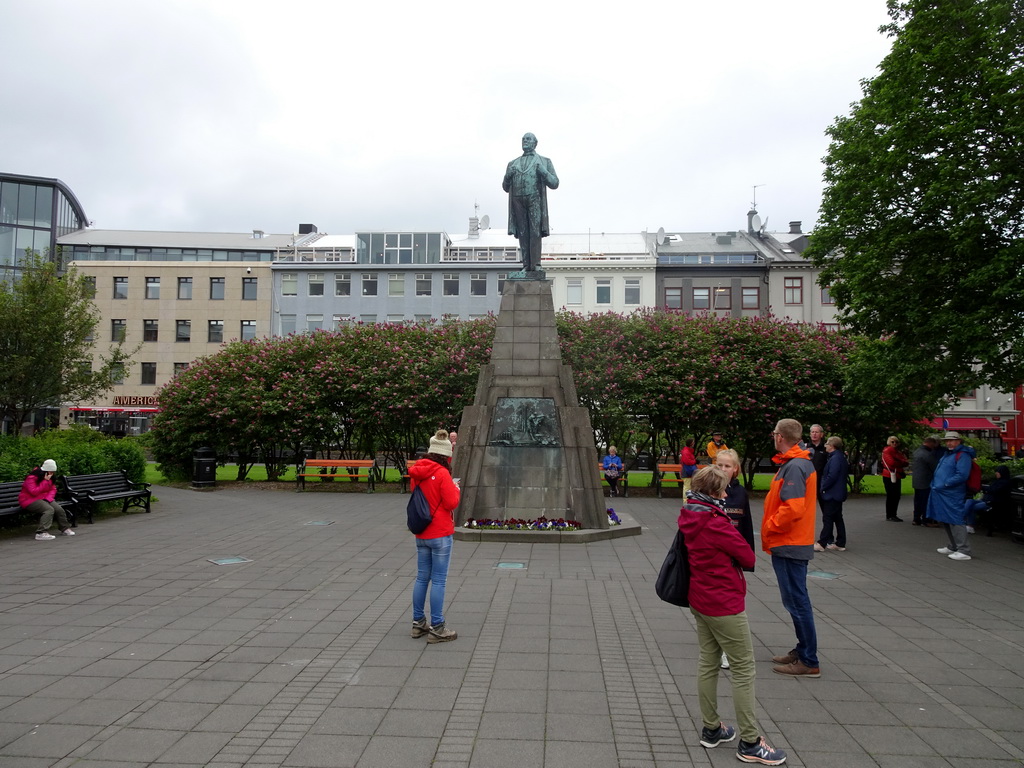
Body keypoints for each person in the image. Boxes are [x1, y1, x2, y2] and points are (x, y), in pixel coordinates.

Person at [679, 465, 787, 766]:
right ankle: (751, 741)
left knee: (708, 661)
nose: (727, 493)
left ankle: (712, 728)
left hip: (699, 597)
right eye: (723, 489)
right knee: (743, 668)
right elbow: (748, 556)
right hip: (723, 601)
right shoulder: (715, 522)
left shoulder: (690, 514)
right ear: (714, 493)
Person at [763, 418, 820, 677]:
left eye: (774, 433)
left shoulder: (795, 465)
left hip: (789, 542)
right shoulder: (796, 463)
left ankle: (808, 660)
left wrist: (771, 527)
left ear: (780, 436)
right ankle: (803, 650)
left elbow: (793, 508)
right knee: (796, 601)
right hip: (790, 541)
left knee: (797, 602)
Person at [409, 430, 462, 642]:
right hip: (440, 533)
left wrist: (451, 446)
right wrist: (456, 488)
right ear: (444, 455)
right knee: (439, 580)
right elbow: (451, 503)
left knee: (422, 578)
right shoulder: (442, 474)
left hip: (421, 532)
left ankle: (418, 623)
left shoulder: (418, 472)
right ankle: (438, 626)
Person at [715, 448, 756, 671]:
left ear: (736, 469)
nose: (723, 470)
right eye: (719, 465)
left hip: (732, 557)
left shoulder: (740, 493)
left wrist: (748, 558)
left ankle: (728, 650)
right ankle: (719, 646)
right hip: (712, 557)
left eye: (727, 466)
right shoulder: (706, 489)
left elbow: (746, 524)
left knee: (731, 605)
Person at [502, 132, 559, 274]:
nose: (525, 141)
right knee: (522, 233)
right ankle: (526, 265)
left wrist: (543, 171)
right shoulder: (512, 163)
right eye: (523, 139)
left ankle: (536, 264)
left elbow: (554, 183)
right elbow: (505, 187)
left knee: (535, 231)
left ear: (535, 143)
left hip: (534, 198)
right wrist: (507, 176)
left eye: (528, 139)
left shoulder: (544, 161)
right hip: (518, 200)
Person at [927, 431, 972, 561]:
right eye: (947, 441)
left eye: (951, 440)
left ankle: (963, 549)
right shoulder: (950, 454)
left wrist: (945, 484)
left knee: (955, 519)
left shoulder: (962, 455)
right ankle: (954, 546)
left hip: (952, 493)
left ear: (959, 441)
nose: (949, 443)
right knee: (946, 518)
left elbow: (962, 475)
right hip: (943, 491)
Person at [21, 459, 74, 540]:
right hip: (29, 500)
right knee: (49, 510)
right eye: (50, 471)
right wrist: (45, 481)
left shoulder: (50, 477)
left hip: (43, 498)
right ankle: (41, 533)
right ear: (45, 471)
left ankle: (65, 528)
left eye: (53, 472)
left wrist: (48, 499)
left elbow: (53, 489)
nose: (52, 474)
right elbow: (34, 492)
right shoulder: (32, 478)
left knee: (59, 509)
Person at [815, 437, 849, 552]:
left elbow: (832, 476)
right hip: (837, 493)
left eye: (827, 444)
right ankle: (840, 542)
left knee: (828, 517)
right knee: (838, 517)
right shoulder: (839, 457)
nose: (825, 445)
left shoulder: (835, 459)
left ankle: (822, 543)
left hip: (832, 493)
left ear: (832, 446)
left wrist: (823, 487)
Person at [910, 436, 940, 526]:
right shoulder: (928, 454)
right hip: (926, 481)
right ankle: (926, 520)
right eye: (934, 444)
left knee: (917, 500)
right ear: (931, 443)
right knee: (925, 501)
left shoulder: (916, 452)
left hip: (916, 480)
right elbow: (935, 467)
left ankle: (916, 518)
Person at [880, 436, 909, 522]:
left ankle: (893, 514)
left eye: (896, 442)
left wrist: (900, 462)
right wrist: (901, 462)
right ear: (889, 442)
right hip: (889, 475)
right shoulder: (887, 451)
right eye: (892, 442)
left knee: (896, 495)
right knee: (892, 495)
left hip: (896, 474)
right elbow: (891, 462)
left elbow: (906, 462)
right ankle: (890, 515)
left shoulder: (897, 452)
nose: (895, 443)